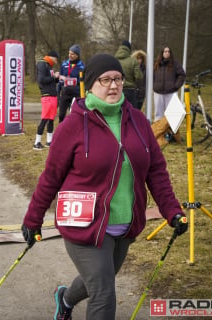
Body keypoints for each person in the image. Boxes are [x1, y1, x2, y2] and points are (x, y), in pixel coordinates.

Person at [21, 53, 188, 320]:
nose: (113, 85)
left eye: (118, 79)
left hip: (124, 224)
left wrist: (172, 211)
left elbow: (156, 172)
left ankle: (64, 298)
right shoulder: (73, 125)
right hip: (84, 225)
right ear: (91, 84)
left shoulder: (138, 122)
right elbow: (51, 177)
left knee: (98, 280)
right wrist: (33, 219)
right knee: (104, 292)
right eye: (106, 79)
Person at [33, 50, 60, 150]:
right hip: (47, 95)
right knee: (45, 118)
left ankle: (49, 141)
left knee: (51, 119)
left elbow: (50, 81)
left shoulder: (49, 66)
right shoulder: (42, 64)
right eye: (56, 59)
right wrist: (53, 77)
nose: (56, 62)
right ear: (51, 57)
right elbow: (42, 80)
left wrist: (56, 79)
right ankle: (37, 142)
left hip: (53, 95)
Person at [153, 46, 186, 121]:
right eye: (165, 51)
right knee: (158, 114)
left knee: (172, 115)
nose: (167, 53)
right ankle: (158, 132)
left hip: (171, 93)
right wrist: (154, 86)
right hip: (158, 93)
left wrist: (176, 86)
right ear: (162, 53)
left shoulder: (175, 63)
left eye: (168, 51)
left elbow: (182, 75)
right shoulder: (156, 63)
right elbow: (151, 76)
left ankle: (171, 132)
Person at [58, 44, 84, 123]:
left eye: (72, 54)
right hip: (65, 92)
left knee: (74, 115)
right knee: (61, 115)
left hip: (76, 93)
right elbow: (60, 77)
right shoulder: (64, 64)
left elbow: (83, 80)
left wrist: (74, 81)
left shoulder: (82, 66)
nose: (70, 55)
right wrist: (58, 92)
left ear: (77, 55)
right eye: (69, 53)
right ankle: (61, 131)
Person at [114, 40, 143, 109]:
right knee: (131, 114)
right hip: (130, 92)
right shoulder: (133, 61)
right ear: (129, 49)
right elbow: (139, 77)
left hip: (116, 90)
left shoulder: (113, 60)